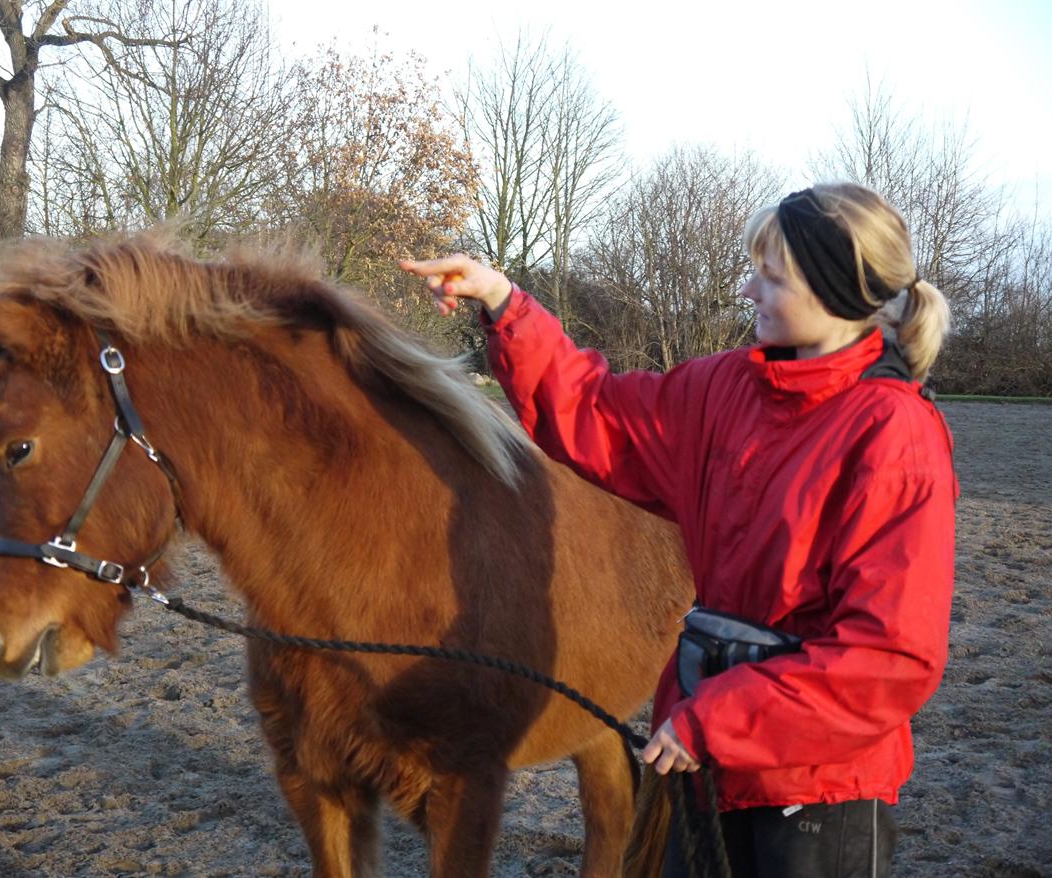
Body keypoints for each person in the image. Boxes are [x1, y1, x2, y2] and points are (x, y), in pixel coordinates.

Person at [400, 182, 958, 877]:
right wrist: (505, 304)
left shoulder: (892, 434)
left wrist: (718, 720)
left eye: (771, 276)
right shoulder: (723, 389)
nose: (749, 290)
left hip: (818, 793)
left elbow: (889, 658)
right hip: (704, 764)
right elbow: (597, 412)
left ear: (836, 293)